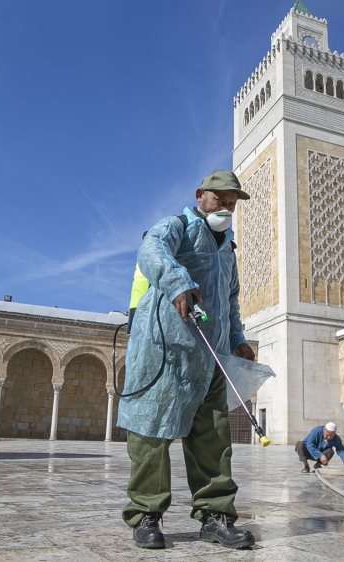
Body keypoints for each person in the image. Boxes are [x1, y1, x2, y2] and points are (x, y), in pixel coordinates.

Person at [117, 170, 256, 550]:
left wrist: (239, 340)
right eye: (220, 200)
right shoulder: (176, 226)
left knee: (212, 436)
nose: (226, 208)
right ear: (201, 195)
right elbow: (152, 251)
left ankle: (216, 516)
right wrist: (178, 280)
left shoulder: (228, 248)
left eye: (232, 203)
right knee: (150, 431)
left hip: (209, 355)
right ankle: (146, 515)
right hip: (164, 348)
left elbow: (229, 301)